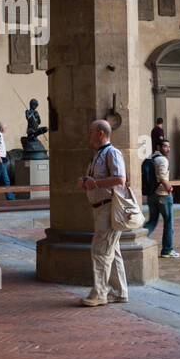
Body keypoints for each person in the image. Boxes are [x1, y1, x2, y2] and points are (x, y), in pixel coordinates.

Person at [78, 119, 128, 306]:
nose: (88, 135)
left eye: (91, 131)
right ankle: (120, 292)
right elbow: (97, 179)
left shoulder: (112, 153)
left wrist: (96, 184)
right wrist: (86, 182)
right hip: (100, 208)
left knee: (100, 250)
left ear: (100, 133)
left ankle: (99, 293)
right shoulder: (98, 155)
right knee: (111, 251)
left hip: (108, 208)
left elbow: (120, 179)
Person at [144, 138, 178, 259]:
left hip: (151, 195)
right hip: (163, 195)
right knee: (169, 222)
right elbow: (163, 178)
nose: (167, 149)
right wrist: (169, 189)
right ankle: (167, 250)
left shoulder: (150, 158)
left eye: (168, 146)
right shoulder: (162, 160)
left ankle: (138, 238)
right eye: (165, 146)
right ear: (158, 147)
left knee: (152, 221)